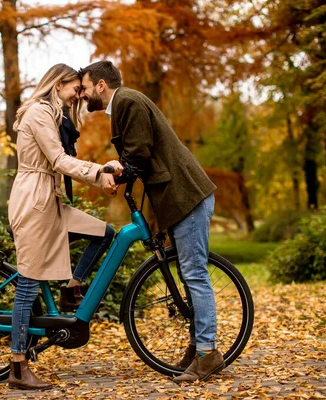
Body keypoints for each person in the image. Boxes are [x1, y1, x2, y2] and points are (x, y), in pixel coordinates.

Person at [79, 61, 222, 383]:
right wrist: (120, 169)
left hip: (187, 196)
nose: (84, 94)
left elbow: (139, 153)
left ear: (101, 85)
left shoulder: (127, 100)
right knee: (189, 274)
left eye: (85, 87)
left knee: (194, 274)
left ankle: (208, 353)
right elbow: (138, 155)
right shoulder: (125, 104)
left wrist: (119, 172)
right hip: (179, 198)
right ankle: (198, 347)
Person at [7, 63, 121, 390]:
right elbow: (58, 161)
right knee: (28, 285)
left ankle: (71, 285)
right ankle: (17, 366)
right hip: (34, 204)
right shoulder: (40, 113)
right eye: (75, 88)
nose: (79, 95)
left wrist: (103, 170)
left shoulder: (57, 116)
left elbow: (61, 162)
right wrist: (100, 173)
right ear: (59, 84)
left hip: (51, 203)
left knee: (104, 233)